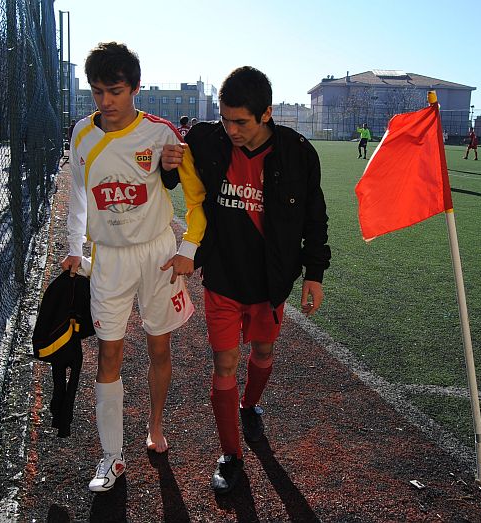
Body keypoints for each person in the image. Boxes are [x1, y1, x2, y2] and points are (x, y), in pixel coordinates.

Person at [162, 66, 330, 495]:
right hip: (221, 278)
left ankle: (250, 406)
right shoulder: (205, 139)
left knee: (263, 350)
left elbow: (315, 218)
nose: (231, 129)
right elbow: (172, 178)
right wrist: (168, 166)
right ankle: (230, 454)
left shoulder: (297, 153)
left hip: (270, 283)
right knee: (223, 364)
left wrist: (314, 274)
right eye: (225, 118)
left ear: (267, 114)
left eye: (241, 121)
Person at [61, 42, 206, 493]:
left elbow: (196, 200)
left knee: (159, 349)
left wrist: (190, 247)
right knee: (109, 353)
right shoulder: (82, 135)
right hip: (110, 260)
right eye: (98, 92)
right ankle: (111, 456)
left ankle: (156, 427)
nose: (106, 102)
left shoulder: (163, 135)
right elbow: (79, 197)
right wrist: (72, 246)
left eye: (116, 91)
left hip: (158, 254)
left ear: (136, 89)